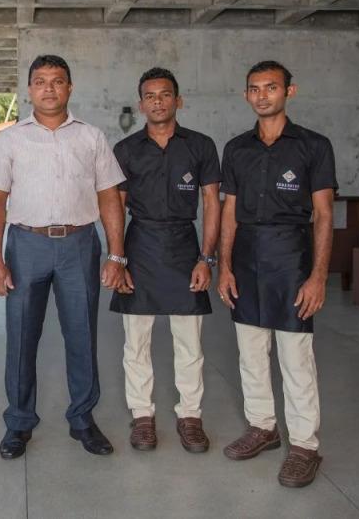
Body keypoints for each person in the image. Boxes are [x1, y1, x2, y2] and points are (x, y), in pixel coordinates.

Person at [0, 54, 126, 459]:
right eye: (41, 81)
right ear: (30, 89)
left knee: (82, 335)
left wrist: (116, 255)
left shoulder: (91, 137)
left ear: (70, 88)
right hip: (26, 245)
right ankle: (19, 422)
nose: (49, 88)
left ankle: (82, 419)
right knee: (21, 336)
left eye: (57, 80)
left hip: (79, 244)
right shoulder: (11, 139)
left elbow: (110, 197)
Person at [217, 60, 336, 488]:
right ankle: (262, 427)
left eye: (271, 87)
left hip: (291, 257)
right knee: (250, 352)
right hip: (246, 257)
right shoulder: (236, 148)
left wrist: (318, 276)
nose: (262, 95)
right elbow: (229, 211)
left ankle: (304, 446)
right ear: (246, 95)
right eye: (255, 88)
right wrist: (224, 266)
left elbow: (324, 215)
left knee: (295, 356)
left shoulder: (314, 146)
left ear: (289, 91)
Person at [111, 67, 221, 453]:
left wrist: (206, 257)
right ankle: (142, 416)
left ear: (178, 100)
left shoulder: (201, 146)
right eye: (150, 96)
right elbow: (115, 206)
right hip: (139, 246)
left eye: (165, 94)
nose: (158, 102)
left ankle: (190, 416)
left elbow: (211, 202)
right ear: (141, 104)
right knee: (136, 343)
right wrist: (118, 258)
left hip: (184, 247)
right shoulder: (125, 150)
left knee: (189, 343)